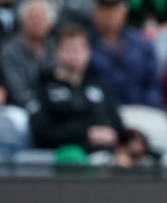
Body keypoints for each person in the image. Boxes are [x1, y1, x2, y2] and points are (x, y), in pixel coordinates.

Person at [29, 23, 124, 152]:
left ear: (88, 53)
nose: (75, 55)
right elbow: (41, 132)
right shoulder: (44, 88)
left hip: (106, 155)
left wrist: (112, 134)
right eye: (69, 49)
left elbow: (117, 124)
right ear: (57, 53)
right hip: (64, 157)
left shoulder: (98, 87)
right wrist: (86, 133)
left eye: (80, 49)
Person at [88, 0, 161, 108]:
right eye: (104, 9)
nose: (109, 15)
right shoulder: (84, 43)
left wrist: (149, 108)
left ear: (124, 11)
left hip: (140, 112)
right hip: (100, 115)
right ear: (95, 11)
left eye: (114, 9)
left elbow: (153, 84)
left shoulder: (142, 43)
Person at [0, 0, 56, 114]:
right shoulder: (10, 49)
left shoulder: (55, 47)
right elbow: (17, 89)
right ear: (22, 20)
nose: (36, 22)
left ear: (50, 23)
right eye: (32, 17)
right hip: (20, 108)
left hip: (54, 104)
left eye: (41, 18)